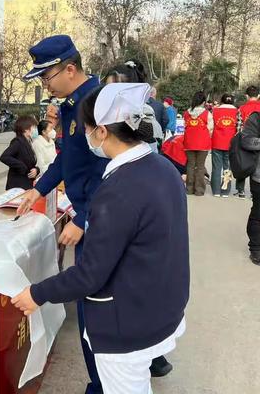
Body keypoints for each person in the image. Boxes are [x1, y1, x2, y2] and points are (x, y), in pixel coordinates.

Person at [12, 83, 190, 394]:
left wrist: (36, 293)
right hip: (161, 309)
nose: (85, 136)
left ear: (103, 132)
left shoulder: (118, 190)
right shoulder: (164, 169)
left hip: (127, 327)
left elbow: (89, 275)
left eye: (87, 129)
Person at [17, 34, 109, 394]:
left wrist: (84, 218)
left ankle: (103, 386)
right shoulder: (73, 104)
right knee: (90, 307)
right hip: (88, 215)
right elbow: (68, 162)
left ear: (69, 69)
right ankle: (99, 383)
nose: (44, 85)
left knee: (97, 311)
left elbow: (111, 170)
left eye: (46, 77)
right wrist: (37, 189)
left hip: (100, 222)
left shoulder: (97, 104)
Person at [103, 60, 173, 376]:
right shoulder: (137, 109)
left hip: (139, 192)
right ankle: (154, 351)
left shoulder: (139, 114)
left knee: (142, 266)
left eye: (113, 87)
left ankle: (151, 352)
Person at [183, 91, 213, 196]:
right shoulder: (207, 113)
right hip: (203, 144)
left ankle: (189, 189)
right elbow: (210, 128)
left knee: (190, 166)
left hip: (188, 143)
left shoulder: (186, 113)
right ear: (204, 102)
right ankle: (199, 190)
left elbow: (184, 127)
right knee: (200, 167)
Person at [240, 112, 260, 265]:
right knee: (259, 213)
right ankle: (256, 248)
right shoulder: (256, 118)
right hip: (259, 177)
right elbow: (246, 141)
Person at [0, 115, 40, 190]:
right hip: (17, 185)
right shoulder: (18, 142)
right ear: (26, 129)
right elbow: (4, 157)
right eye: (34, 127)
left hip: (27, 184)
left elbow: (31, 162)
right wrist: (22, 166)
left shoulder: (28, 142)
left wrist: (36, 170)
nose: (36, 130)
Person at [234, 85, 260, 199]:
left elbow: (239, 127)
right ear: (258, 96)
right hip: (257, 143)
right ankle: (254, 193)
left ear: (246, 96)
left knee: (243, 164)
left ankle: (241, 191)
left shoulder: (242, 108)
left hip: (246, 140)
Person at [211, 94, 237, 198]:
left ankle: (216, 190)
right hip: (231, 143)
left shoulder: (215, 111)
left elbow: (212, 126)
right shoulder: (236, 111)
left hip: (217, 141)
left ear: (221, 101)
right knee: (228, 167)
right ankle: (225, 191)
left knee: (217, 167)